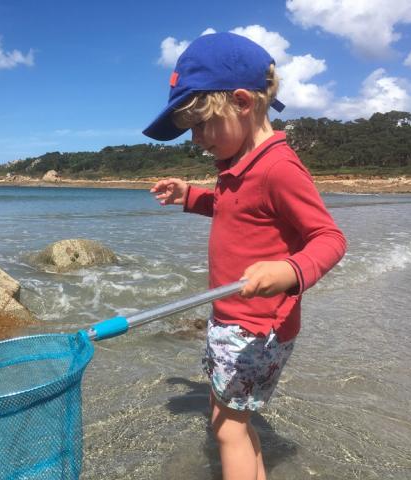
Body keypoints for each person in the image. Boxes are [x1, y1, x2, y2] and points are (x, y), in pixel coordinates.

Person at [143, 32, 346, 480]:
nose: (194, 138)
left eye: (198, 124)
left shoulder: (278, 166)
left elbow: (329, 238)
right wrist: (191, 195)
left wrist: (290, 270)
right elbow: (236, 209)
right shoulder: (241, 165)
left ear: (241, 102)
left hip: (255, 327)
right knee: (236, 420)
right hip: (237, 320)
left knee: (226, 428)